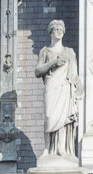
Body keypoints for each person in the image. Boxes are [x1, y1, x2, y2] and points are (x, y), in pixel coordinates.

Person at [35, 19, 82, 159]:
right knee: (49, 115)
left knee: (63, 118)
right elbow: (38, 71)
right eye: (56, 29)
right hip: (51, 86)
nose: (59, 31)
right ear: (51, 31)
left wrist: (78, 88)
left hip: (65, 88)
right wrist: (53, 62)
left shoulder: (69, 52)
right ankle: (47, 149)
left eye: (61, 28)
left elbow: (74, 74)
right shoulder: (45, 51)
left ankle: (62, 148)